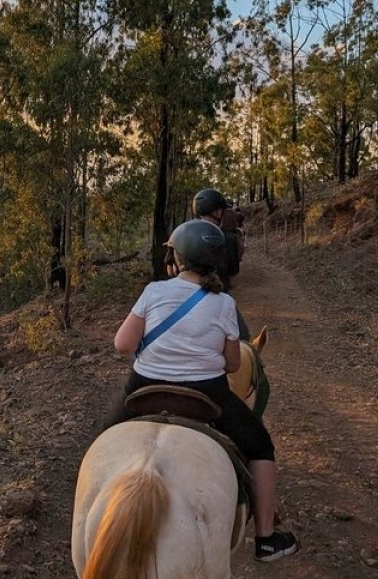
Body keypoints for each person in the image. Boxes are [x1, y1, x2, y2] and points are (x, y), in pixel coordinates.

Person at [111, 219, 300, 562]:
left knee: (100, 444)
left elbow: (123, 344)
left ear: (176, 259)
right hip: (206, 395)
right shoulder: (224, 304)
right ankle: (267, 538)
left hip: (143, 389)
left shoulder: (154, 291)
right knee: (260, 446)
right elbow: (231, 364)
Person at [193, 187, 237, 289]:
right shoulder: (229, 239)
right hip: (218, 295)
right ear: (217, 212)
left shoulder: (182, 234)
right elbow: (233, 279)